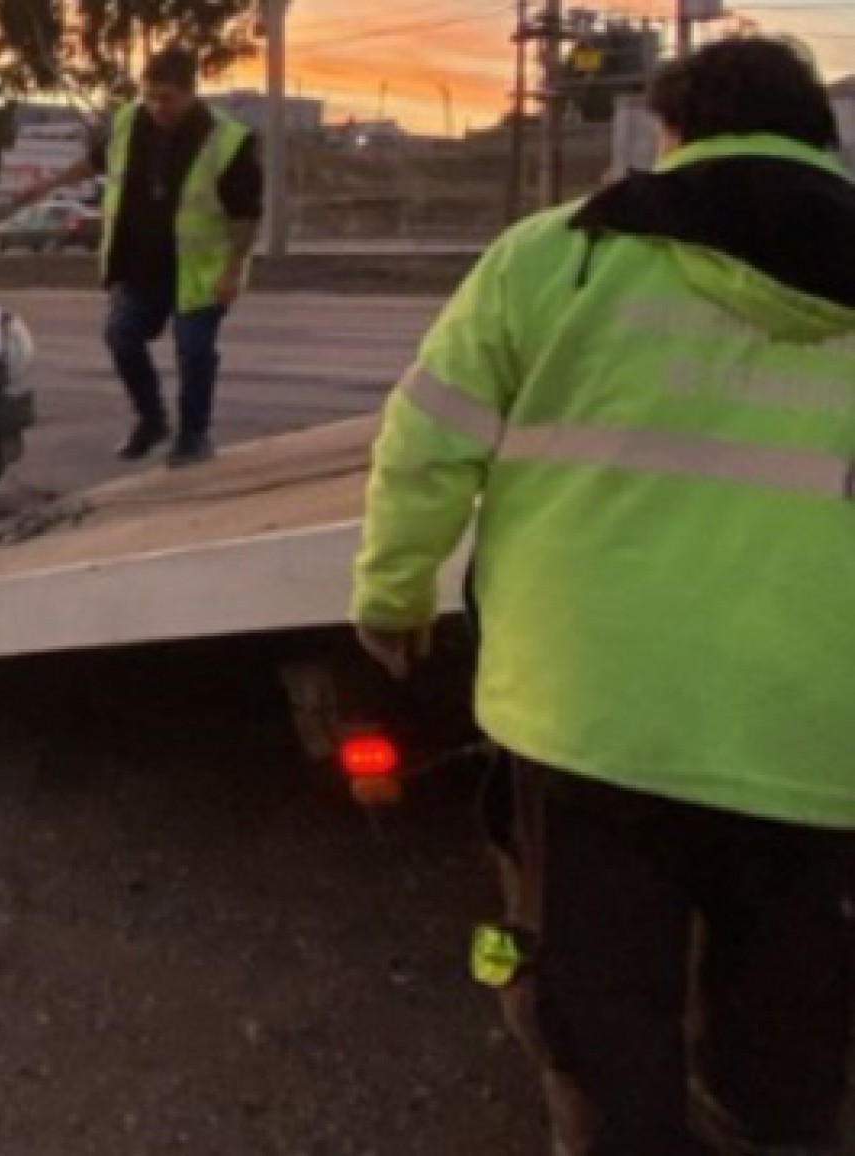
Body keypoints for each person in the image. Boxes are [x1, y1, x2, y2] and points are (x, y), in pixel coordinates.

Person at [351, 38, 855, 1156]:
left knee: (596, 1011)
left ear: (671, 133)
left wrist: (394, 594)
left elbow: (425, 441)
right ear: (818, 136)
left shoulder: (561, 256)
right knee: (788, 1021)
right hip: (818, 737)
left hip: (589, 717)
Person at [15, 47, 264, 466]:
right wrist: (47, 187)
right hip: (140, 265)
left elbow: (245, 217)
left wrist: (232, 271)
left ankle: (193, 436)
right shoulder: (130, 122)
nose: (156, 107)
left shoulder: (228, 140)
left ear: (190, 93)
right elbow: (94, 162)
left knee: (194, 349)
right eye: (149, 96)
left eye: (165, 98)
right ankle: (151, 420)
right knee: (121, 336)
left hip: (198, 272)